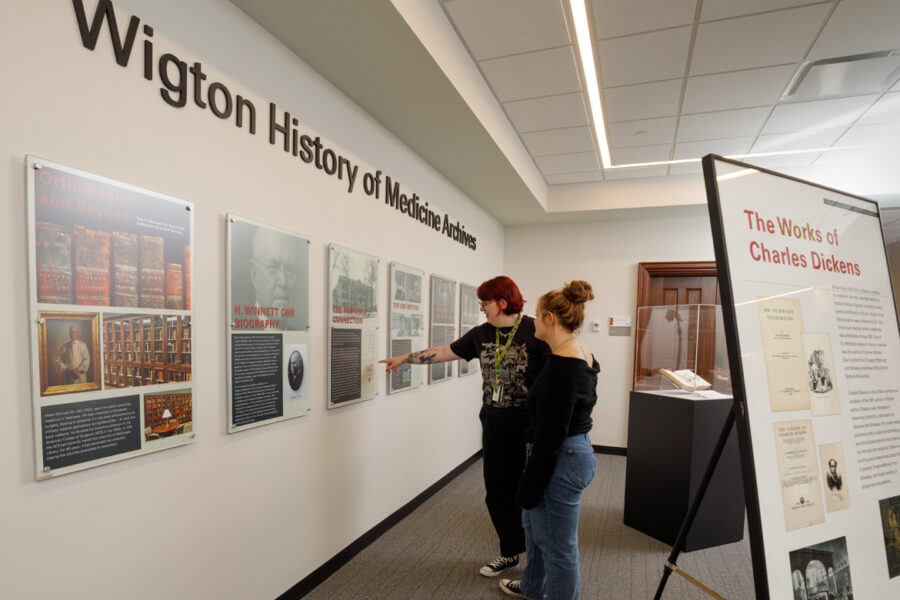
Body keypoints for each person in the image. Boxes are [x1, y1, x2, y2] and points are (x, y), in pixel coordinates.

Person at [380, 276, 550, 577]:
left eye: (485, 303)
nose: (481, 308)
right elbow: (445, 351)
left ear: (501, 302)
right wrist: (405, 358)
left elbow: (559, 372)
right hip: (495, 425)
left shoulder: (535, 331)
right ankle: (510, 553)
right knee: (497, 492)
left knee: (532, 494)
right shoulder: (480, 334)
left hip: (530, 427)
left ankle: (541, 561)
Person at [499, 280, 599, 600]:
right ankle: (533, 588)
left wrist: (530, 484)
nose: (533, 321)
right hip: (569, 452)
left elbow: (552, 435)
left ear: (550, 319)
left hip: (562, 457)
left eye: (537, 315)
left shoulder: (562, 366)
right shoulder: (580, 353)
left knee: (559, 546)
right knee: (534, 530)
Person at [249, 227, 301, 329]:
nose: (283, 282)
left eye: (290, 270)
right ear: (254, 274)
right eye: (273, 267)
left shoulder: (298, 334)